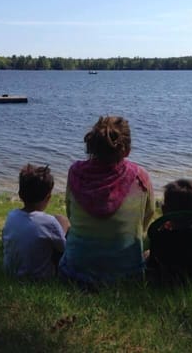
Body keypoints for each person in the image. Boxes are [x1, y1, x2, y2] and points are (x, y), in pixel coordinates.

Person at [59, 116, 155, 286]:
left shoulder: (75, 173)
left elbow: (71, 215)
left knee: (60, 221)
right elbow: (148, 215)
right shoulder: (140, 176)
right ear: (126, 150)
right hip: (127, 275)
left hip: (75, 272)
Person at [146, 179, 192, 285]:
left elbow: (152, 263)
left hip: (169, 285)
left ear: (164, 210)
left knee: (147, 257)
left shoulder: (160, 238)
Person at [2, 164, 69, 280]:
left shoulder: (11, 216)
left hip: (11, 272)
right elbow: (64, 249)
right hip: (40, 277)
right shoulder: (49, 222)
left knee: (58, 220)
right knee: (62, 220)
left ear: (20, 194)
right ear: (48, 197)